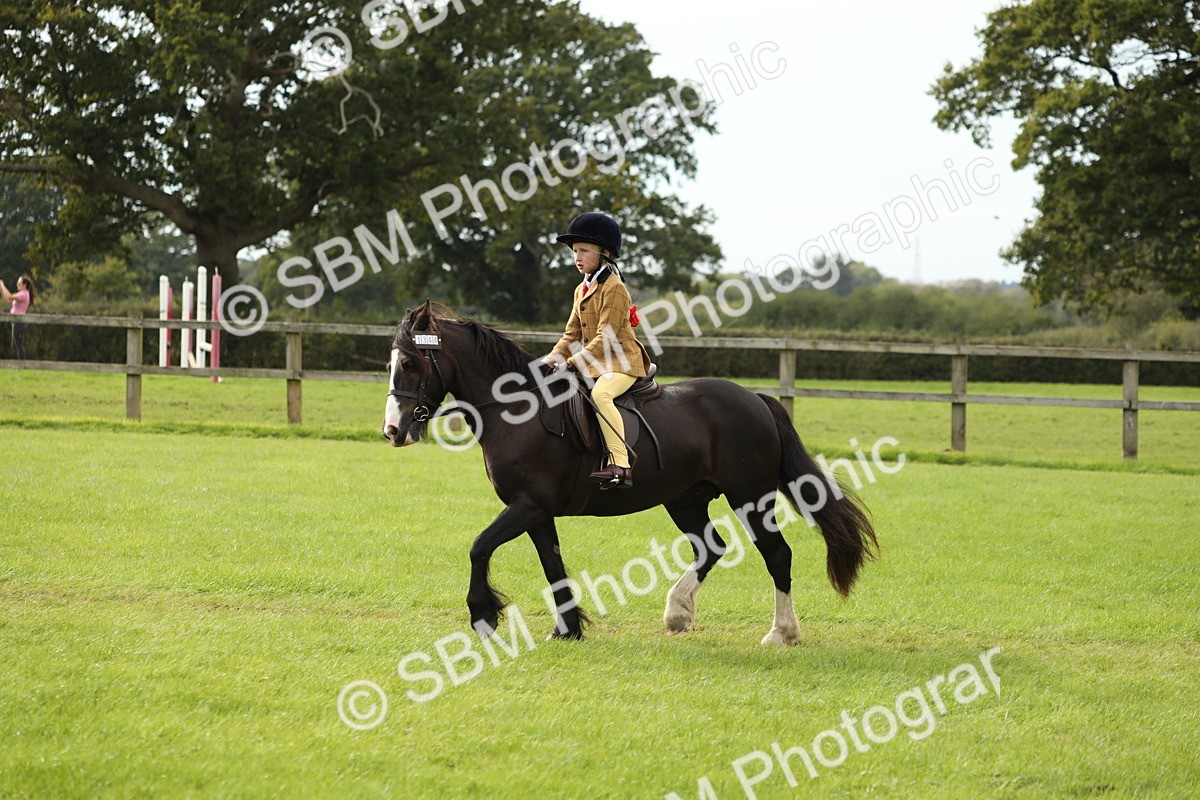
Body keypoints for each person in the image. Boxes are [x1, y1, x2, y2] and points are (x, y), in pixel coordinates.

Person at [544, 212, 651, 489]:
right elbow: (571, 335)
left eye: (583, 251)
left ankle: (621, 465)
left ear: (604, 253)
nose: (576, 257)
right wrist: (550, 361)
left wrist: (572, 363)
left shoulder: (614, 288)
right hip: (596, 362)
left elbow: (606, 337)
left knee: (601, 395)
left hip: (623, 362)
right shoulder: (582, 288)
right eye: (574, 251)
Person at [0, 274, 34, 360]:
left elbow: (9, 296)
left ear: (24, 285)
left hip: (19, 322)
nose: (17, 285)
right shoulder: (21, 293)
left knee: (18, 345)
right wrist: (1, 289)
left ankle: (21, 365)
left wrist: (2, 285)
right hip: (16, 321)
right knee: (15, 345)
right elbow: (8, 299)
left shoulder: (23, 294)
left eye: (19, 283)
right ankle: (21, 363)